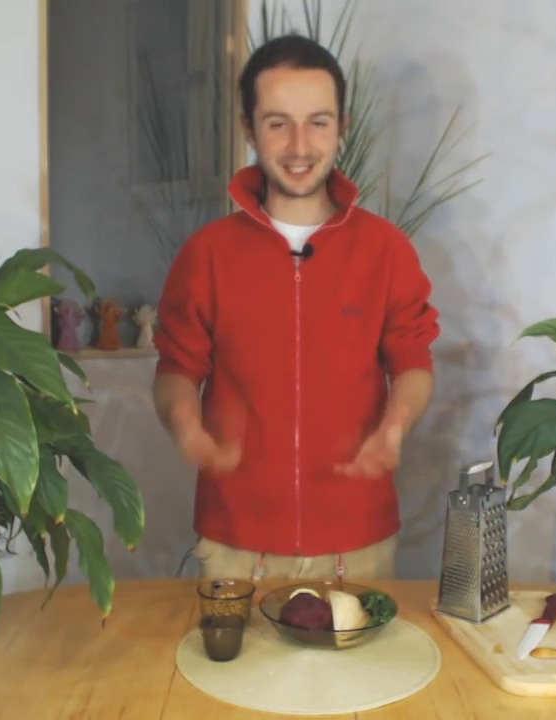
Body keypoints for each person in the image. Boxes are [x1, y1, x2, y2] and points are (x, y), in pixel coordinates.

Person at [152, 34, 439, 583]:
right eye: (278, 123)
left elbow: (413, 363)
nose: (300, 146)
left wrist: (395, 426)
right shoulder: (206, 253)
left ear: (342, 126)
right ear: (249, 128)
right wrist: (186, 425)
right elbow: (175, 372)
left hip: (358, 538)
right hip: (234, 540)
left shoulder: (386, 250)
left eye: (318, 122)